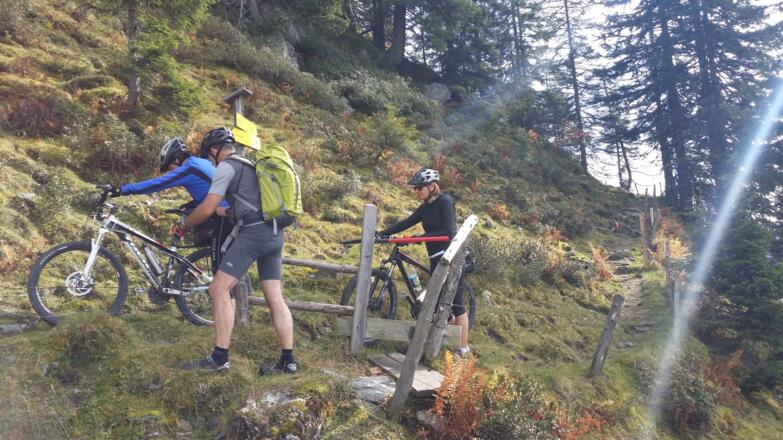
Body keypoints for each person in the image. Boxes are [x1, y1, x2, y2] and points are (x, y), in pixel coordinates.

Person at [176, 127, 296, 374]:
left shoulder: (226, 167)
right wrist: (226, 212)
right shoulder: (252, 166)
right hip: (275, 234)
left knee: (218, 288)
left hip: (254, 235)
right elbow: (247, 204)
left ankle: (220, 357)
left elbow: (208, 207)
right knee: (275, 297)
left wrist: (184, 224)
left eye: (209, 158)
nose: (210, 162)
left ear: (214, 150)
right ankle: (288, 360)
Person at [378, 167, 471, 357]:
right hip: (435, 260)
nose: (417, 192)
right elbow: (407, 222)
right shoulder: (425, 208)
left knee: (457, 303)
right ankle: (444, 343)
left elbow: (447, 232)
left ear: (432, 186)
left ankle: (463, 348)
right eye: (415, 189)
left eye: (420, 188)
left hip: (450, 258)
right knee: (438, 303)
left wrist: (421, 237)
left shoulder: (445, 202)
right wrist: (382, 233)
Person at [108, 137, 230, 273]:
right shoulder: (202, 163)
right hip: (225, 209)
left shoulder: (189, 168)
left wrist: (123, 190)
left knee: (219, 269)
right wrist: (192, 204)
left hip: (222, 215)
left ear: (176, 159)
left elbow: (158, 183)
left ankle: (222, 290)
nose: (171, 172)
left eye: (169, 167)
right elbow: (208, 189)